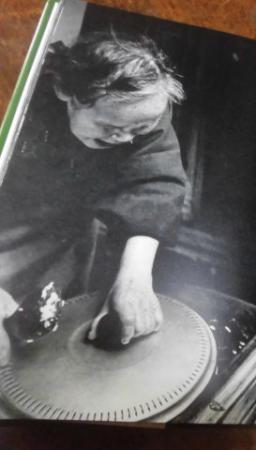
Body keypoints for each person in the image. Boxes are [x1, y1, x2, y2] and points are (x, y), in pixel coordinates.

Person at [0, 32, 187, 349]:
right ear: (66, 93)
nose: (125, 139)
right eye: (109, 128)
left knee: (46, 347)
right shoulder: (14, 88)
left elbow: (153, 186)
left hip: (63, 239)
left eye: (139, 129)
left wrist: (135, 278)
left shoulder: (144, 107)